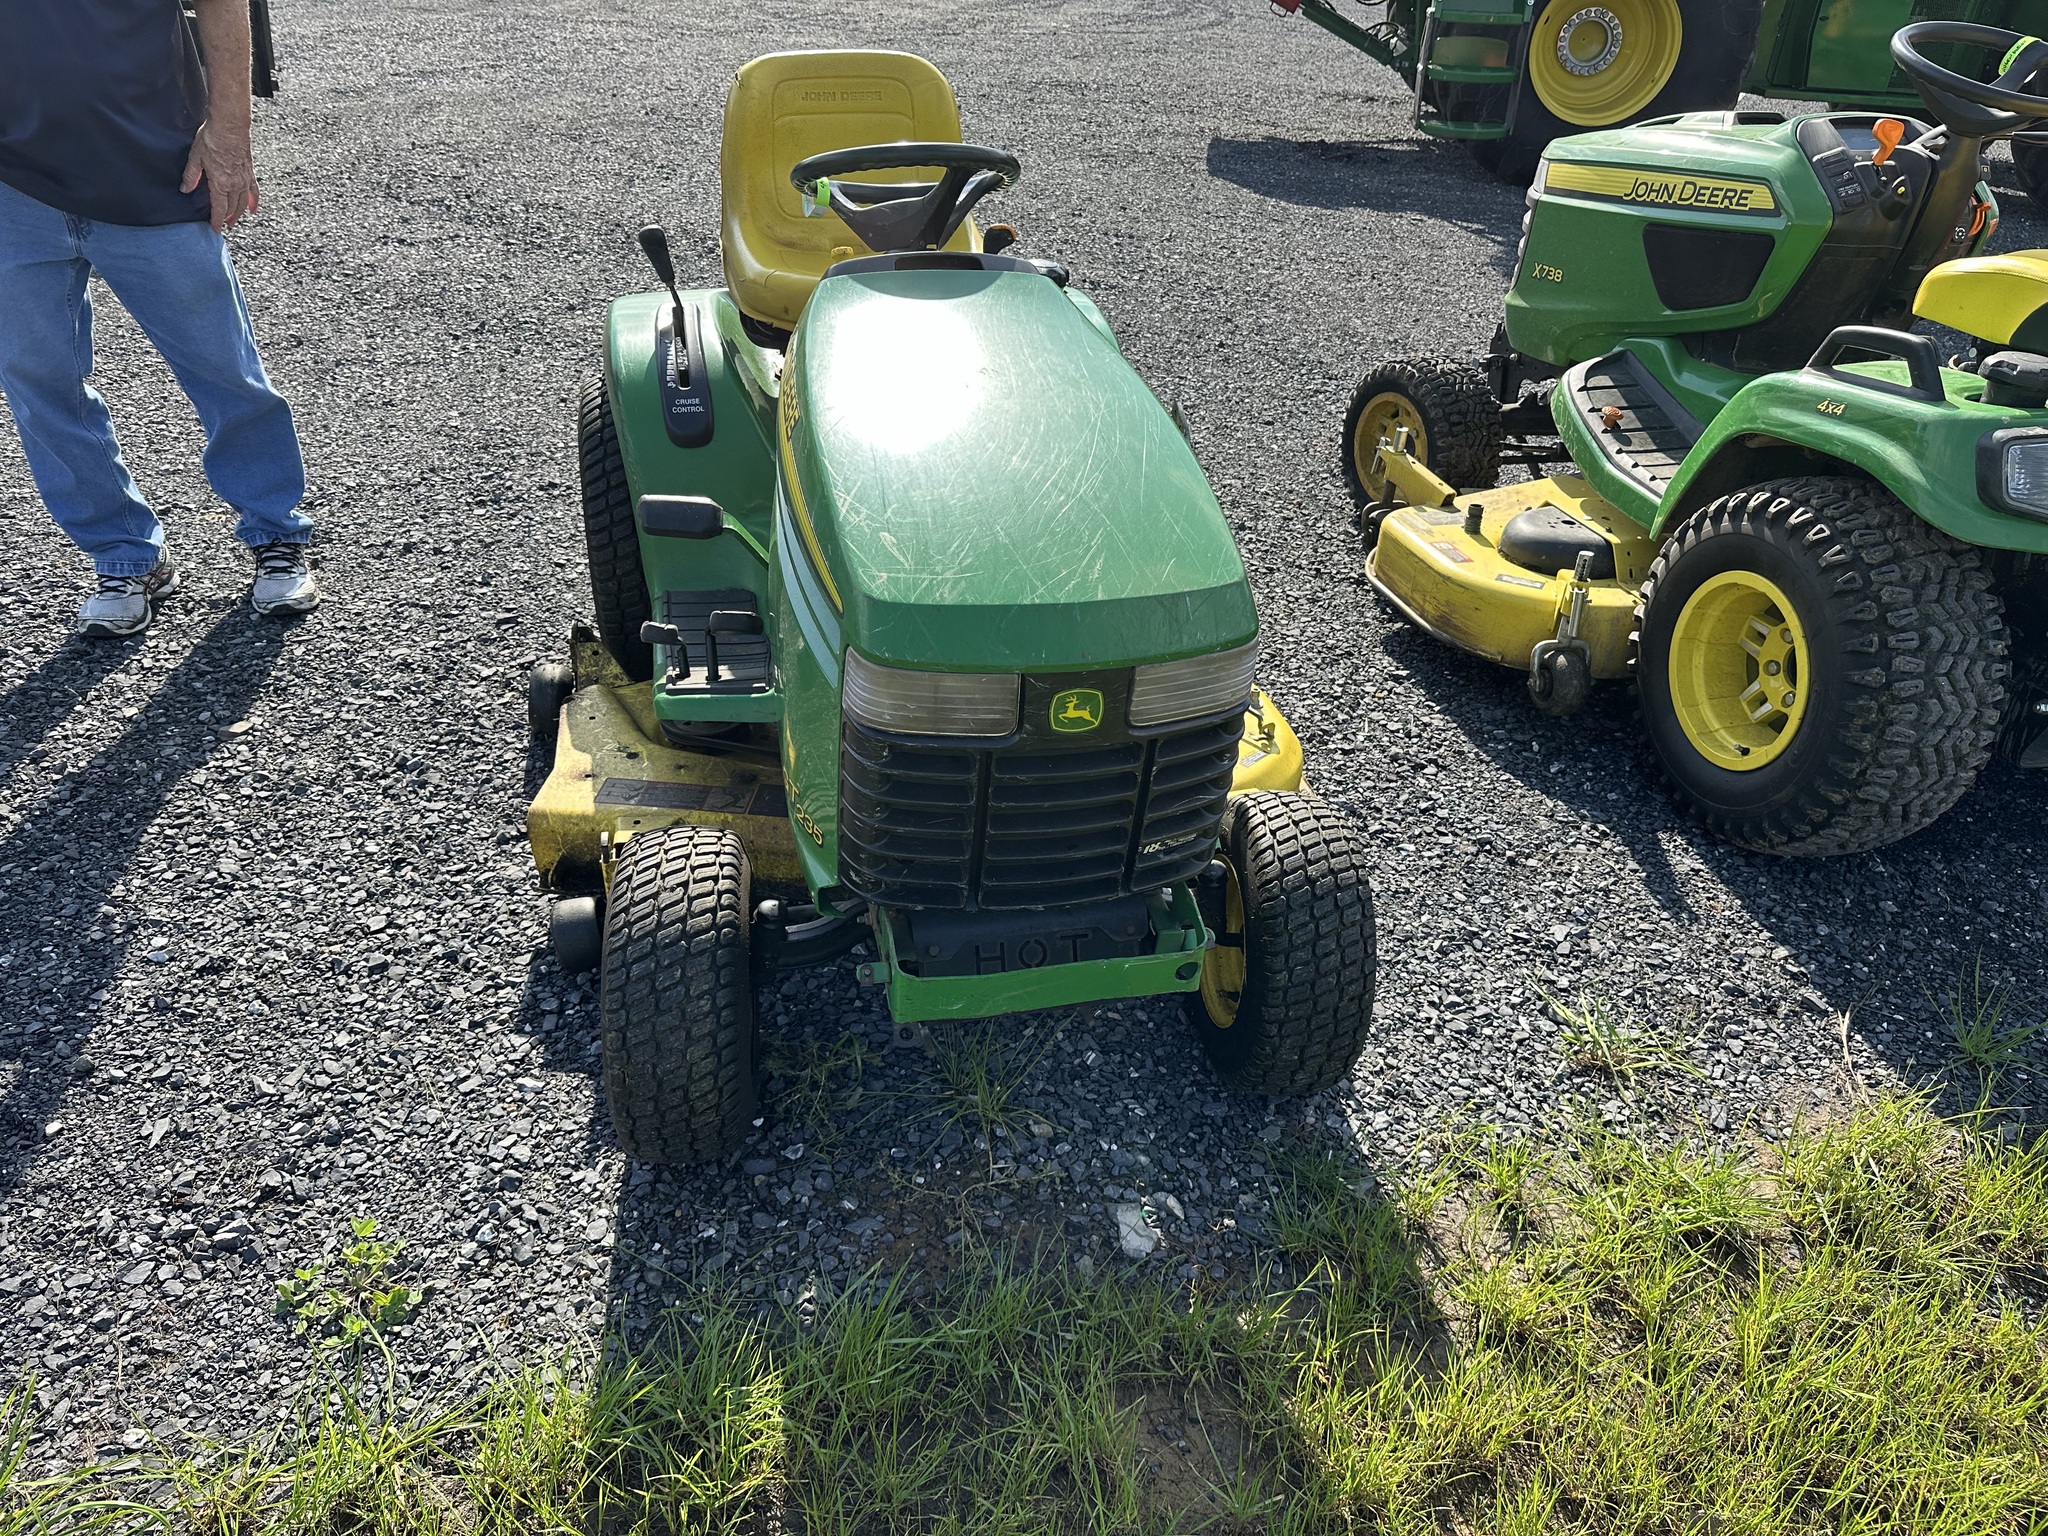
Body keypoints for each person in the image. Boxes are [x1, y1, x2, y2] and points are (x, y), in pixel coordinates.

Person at [0, 0, 319, 638]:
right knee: (41, 385)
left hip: (156, 172)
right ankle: (123, 555)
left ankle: (276, 534)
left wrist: (230, 132)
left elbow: (222, 5)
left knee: (223, 369)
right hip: (16, 187)